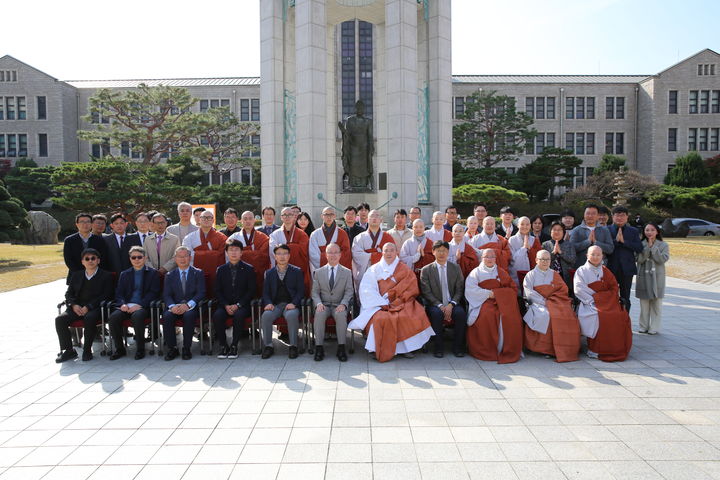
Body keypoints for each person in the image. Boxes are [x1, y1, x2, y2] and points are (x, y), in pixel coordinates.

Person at [349, 242, 434, 362]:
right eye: (386, 250)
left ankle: (405, 349)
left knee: (407, 315)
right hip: (379, 304)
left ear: (396, 252)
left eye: (391, 250)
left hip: (402, 302)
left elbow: (411, 287)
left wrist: (399, 300)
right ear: (382, 253)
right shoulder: (374, 269)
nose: (389, 253)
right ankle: (377, 348)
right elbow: (367, 289)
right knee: (379, 319)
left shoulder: (404, 269)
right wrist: (381, 302)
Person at [574, 246, 632, 362]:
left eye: (598, 255)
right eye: (592, 254)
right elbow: (578, 289)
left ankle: (615, 348)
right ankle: (595, 349)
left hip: (606, 303)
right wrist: (594, 299)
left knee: (618, 315)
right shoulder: (581, 271)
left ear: (602, 256)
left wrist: (601, 298)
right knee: (597, 316)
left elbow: (614, 287)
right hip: (588, 303)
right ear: (587, 255)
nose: (595, 257)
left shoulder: (605, 270)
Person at [55, 248, 113, 363]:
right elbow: (69, 294)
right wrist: (73, 305)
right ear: (82, 262)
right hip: (77, 307)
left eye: (93, 258)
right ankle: (69, 350)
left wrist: (89, 307)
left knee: (89, 318)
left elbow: (107, 295)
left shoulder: (106, 276)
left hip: (95, 308)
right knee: (60, 320)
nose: (90, 261)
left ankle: (87, 350)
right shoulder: (76, 275)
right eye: (87, 259)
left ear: (98, 261)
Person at [465, 249, 523, 364]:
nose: (490, 259)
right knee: (487, 314)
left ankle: (504, 348)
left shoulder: (501, 272)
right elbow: (471, 290)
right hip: (482, 302)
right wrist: (489, 294)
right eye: (487, 257)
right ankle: (488, 349)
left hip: (501, 301)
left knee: (510, 316)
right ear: (482, 258)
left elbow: (512, 289)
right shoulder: (475, 273)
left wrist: (498, 294)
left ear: (496, 259)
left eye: (492, 257)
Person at [522, 250, 581, 362]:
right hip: (538, 303)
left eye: (547, 259)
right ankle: (545, 348)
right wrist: (544, 302)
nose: (545, 262)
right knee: (546, 315)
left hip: (555, 302)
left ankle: (566, 347)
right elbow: (529, 292)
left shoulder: (554, 274)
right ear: (536, 260)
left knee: (567, 315)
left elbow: (563, 290)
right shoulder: (530, 275)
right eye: (542, 259)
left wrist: (552, 301)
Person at [108, 246, 161, 360]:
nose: (136, 259)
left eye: (139, 257)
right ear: (130, 259)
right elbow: (119, 293)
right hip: (126, 306)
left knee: (137, 316)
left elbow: (154, 293)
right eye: (133, 257)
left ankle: (140, 349)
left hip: (143, 307)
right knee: (113, 317)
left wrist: (140, 305)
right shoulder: (124, 274)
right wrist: (122, 304)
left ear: (145, 258)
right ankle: (120, 349)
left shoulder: (153, 273)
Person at [420, 241, 467, 358]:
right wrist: (440, 306)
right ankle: (438, 348)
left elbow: (459, 289)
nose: (442, 253)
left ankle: (457, 347)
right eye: (439, 251)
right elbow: (426, 292)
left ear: (448, 252)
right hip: (435, 304)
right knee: (436, 315)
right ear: (433, 252)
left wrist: (451, 305)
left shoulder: (455, 268)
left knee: (460, 314)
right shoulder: (426, 270)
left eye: (444, 251)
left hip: (453, 303)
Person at [310, 243, 354, 362]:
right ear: (325, 255)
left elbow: (349, 291)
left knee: (340, 315)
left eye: (336, 252)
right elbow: (314, 292)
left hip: (338, 305)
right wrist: (318, 304)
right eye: (330, 252)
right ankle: (319, 347)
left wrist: (344, 304)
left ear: (340, 255)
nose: (333, 255)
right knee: (319, 314)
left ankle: (341, 347)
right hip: (324, 304)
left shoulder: (347, 272)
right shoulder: (318, 272)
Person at [213, 239, 255, 359]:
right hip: (225, 305)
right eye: (231, 250)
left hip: (242, 305)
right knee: (217, 316)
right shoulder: (221, 270)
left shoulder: (248, 269)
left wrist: (238, 305)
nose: (234, 253)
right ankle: (223, 345)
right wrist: (226, 305)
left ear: (241, 253)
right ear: (226, 252)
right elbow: (217, 290)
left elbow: (251, 290)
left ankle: (234, 345)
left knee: (239, 315)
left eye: (237, 250)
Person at [261, 244, 305, 359]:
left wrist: (294, 303)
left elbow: (301, 291)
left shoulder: (296, 271)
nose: (282, 256)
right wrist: (268, 303)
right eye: (279, 254)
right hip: (275, 305)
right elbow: (265, 293)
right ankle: (268, 346)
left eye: (285, 253)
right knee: (266, 315)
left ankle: (293, 346)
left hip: (290, 305)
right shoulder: (269, 273)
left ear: (289, 256)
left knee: (291, 315)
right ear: (275, 256)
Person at [162, 246, 206, 361]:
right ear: (175, 259)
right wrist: (172, 306)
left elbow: (201, 293)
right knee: (167, 316)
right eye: (179, 257)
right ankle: (172, 348)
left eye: (185, 256)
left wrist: (188, 305)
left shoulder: (198, 273)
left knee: (189, 315)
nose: (182, 259)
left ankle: (186, 348)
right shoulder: (169, 275)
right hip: (175, 306)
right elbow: (167, 295)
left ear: (190, 257)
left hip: (191, 307)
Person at [607, 205, 644, 311]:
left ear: (627, 217)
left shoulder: (633, 231)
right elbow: (603, 247)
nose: (620, 218)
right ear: (612, 217)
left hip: (627, 269)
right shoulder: (606, 230)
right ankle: (611, 320)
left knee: (625, 297)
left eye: (623, 215)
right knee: (609, 296)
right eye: (617, 215)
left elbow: (639, 247)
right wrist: (616, 241)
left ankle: (625, 321)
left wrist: (624, 242)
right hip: (610, 268)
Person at [636, 222, 669, 334]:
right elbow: (639, 259)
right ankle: (643, 326)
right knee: (644, 303)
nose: (649, 232)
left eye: (652, 230)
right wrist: (647, 249)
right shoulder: (640, 244)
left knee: (656, 303)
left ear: (657, 231)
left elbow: (662, 259)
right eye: (647, 230)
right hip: (643, 276)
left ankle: (654, 327)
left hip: (657, 277)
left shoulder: (663, 245)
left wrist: (653, 248)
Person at [269, 207, 311, 294]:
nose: (287, 217)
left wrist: (284, 248)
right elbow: (273, 251)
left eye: (290, 215)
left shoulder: (302, 234)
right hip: (281, 269)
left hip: (298, 269)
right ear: (281, 217)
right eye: (285, 215)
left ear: (294, 217)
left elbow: (304, 251)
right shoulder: (275, 234)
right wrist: (294, 246)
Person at [351, 209, 394, 291]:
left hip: (383, 272)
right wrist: (374, 255)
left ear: (381, 220)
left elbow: (393, 254)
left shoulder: (387, 237)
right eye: (371, 216)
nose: (374, 218)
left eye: (377, 216)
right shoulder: (359, 237)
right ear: (367, 219)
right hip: (365, 272)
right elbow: (356, 254)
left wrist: (370, 254)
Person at [229, 211, 271, 294]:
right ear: (241, 221)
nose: (248, 221)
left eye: (250, 219)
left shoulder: (263, 237)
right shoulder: (234, 237)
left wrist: (243, 252)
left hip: (258, 273)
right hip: (238, 272)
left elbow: (263, 256)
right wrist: (253, 252)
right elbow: (230, 255)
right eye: (245, 219)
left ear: (254, 220)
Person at [183, 210, 228, 288]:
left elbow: (223, 255)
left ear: (213, 220)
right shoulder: (189, 237)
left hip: (216, 272)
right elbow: (187, 255)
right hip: (195, 272)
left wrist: (197, 253)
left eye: (209, 218)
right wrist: (214, 253)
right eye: (204, 217)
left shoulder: (222, 237)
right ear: (199, 220)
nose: (206, 220)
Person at [63, 213, 107, 283]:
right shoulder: (69, 240)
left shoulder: (99, 240)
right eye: (82, 222)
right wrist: (81, 274)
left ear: (91, 224)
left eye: (88, 222)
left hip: (96, 276)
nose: (85, 224)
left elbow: (103, 258)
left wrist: (92, 272)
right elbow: (68, 259)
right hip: (76, 276)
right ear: (77, 224)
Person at [569, 204, 614, 268]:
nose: (590, 216)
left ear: (598, 216)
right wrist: (587, 242)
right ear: (584, 215)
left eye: (593, 214)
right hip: (581, 267)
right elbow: (571, 248)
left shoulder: (604, 230)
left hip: (600, 267)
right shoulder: (576, 230)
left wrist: (596, 242)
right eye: (588, 213)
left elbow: (610, 249)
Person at [309, 207, 353, 273]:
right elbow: (313, 254)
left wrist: (334, 265)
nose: (329, 217)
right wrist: (327, 266)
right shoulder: (315, 234)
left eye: (331, 214)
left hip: (338, 270)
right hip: (321, 270)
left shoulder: (342, 233)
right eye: (326, 214)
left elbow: (346, 253)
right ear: (322, 216)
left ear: (335, 216)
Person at [508, 216, 543, 288]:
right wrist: (524, 248)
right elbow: (511, 258)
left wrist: (530, 249)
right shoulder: (512, 240)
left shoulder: (534, 240)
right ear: (518, 225)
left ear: (530, 226)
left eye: (527, 224)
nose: (525, 226)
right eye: (522, 224)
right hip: (515, 273)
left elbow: (539, 258)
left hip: (531, 272)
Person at [542, 221, 576, 292]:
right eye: (554, 229)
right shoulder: (545, 245)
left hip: (565, 276)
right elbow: (542, 261)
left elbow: (573, 260)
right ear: (550, 231)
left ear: (563, 232)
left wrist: (560, 252)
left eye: (559, 230)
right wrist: (553, 253)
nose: (556, 232)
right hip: (549, 276)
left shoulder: (569, 245)